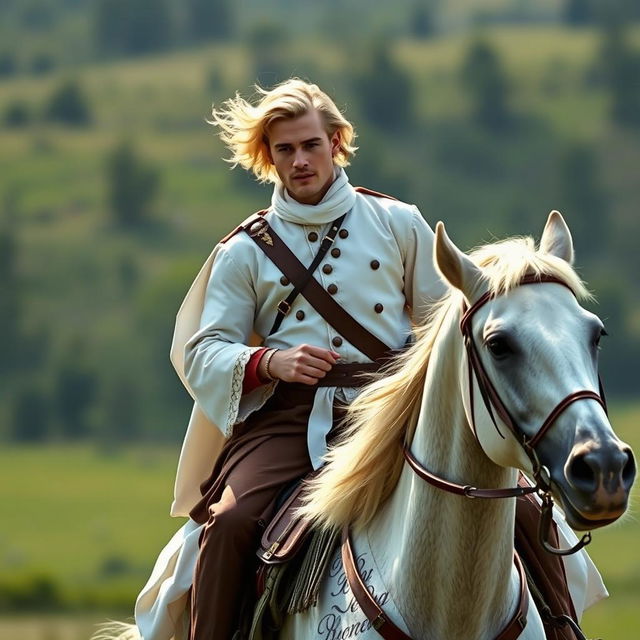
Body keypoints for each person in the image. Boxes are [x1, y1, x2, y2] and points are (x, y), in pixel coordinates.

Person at [166, 78, 447, 640]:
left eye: (310, 144)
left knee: (524, 509)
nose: (299, 161)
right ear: (266, 157)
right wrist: (271, 363)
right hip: (290, 421)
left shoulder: (399, 223)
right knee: (228, 524)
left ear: (337, 143)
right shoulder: (245, 250)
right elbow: (201, 350)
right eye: (284, 149)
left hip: (393, 413)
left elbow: (444, 325)